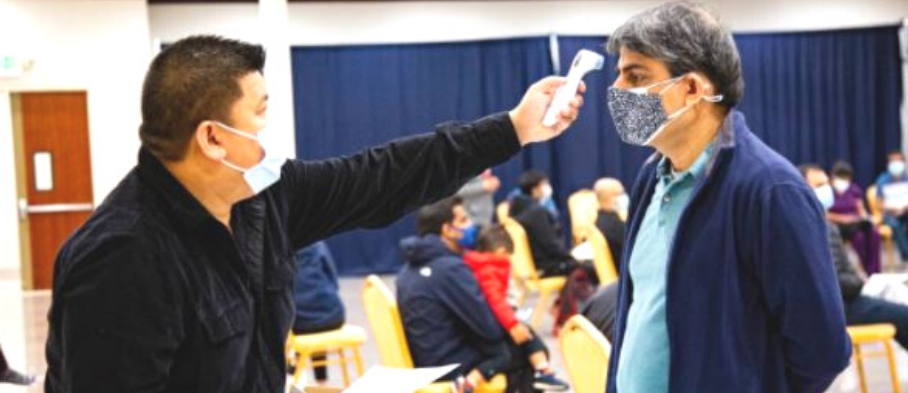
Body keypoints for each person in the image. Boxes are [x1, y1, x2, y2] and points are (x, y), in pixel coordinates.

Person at [45, 35, 585, 393]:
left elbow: (384, 175)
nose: (269, 136)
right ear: (212, 138)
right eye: (260, 116)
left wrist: (514, 128)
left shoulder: (263, 199)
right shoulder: (123, 259)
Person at [604, 4, 850, 393]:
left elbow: (823, 351)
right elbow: (638, 310)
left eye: (636, 75)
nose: (617, 89)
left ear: (691, 88)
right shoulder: (651, 176)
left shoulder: (770, 190)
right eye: (619, 74)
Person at [396, 197, 532, 393]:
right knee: (525, 347)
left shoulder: (408, 268)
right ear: (447, 230)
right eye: (463, 220)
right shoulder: (451, 269)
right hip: (448, 366)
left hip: (426, 358)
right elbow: (489, 329)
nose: (471, 225)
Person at [802, 164, 908, 350]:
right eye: (819, 185)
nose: (826, 189)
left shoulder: (815, 221)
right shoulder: (815, 226)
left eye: (826, 183)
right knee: (903, 316)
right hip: (840, 306)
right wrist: (860, 283)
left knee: (869, 234)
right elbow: (834, 280)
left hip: (841, 298)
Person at [464, 225, 570, 392]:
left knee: (528, 338)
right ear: (500, 251)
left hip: (495, 320)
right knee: (529, 338)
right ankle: (543, 371)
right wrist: (512, 323)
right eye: (507, 255)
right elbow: (497, 300)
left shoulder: (479, 266)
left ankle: (543, 371)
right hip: (499, 322)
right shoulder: (489, 270)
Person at [289, 241, 344, 384]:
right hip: (333, 315)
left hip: (298, 323)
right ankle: (322, 380)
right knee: (316, 315)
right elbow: (333, 280)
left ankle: (292, 377)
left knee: (291, 325)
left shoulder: (276, 249)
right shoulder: (316, 243)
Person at [828, 160, 882, 274]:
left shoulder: (854, 190)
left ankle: (874, 270)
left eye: (845, 177)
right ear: (833, 176)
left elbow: (860, 209)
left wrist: (866, 218)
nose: (843, 180)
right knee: (859, 238)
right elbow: (824, 214)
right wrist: (844, 219)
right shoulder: (827, 191)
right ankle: (866, 270)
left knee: (874, 234)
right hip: (838, 225)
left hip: (855, 224)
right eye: (840, 176)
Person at [876, 150, 908, 259]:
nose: (895, 164)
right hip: (889, 213)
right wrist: (891, 209)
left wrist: (904, 209)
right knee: (895, 225)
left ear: (904, 163)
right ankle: (906, 255)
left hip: (905, 211)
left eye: (898, 161)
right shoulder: (882, 180)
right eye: (892, 161)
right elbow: (879, 203)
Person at [593, 177, 627, 270]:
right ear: (611, 197)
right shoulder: (614, 226)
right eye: (621, 194)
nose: (625, 197)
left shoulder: (599, 221)